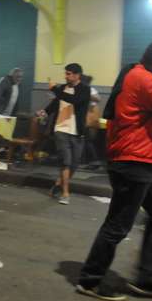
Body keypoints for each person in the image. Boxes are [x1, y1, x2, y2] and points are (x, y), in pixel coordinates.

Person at [76, 39, 152, 301]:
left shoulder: (144, 77)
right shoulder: (142, 78)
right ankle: (90, 280)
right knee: (118, 224)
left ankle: (146, 279)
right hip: (132, 162)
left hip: (144, 162)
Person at [43, 63, 90, 205]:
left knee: (74, 164)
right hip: (61, 129)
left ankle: (58, 184)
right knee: (66, 161)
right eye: (66, 73)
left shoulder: (85, 90)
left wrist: (54, 89)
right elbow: (55, 104)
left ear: (77, 75)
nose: (66, 76)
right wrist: (44, 112)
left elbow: (73, 100)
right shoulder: (63, 89)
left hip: (77, 131)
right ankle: (65, 193)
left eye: (69, 74)